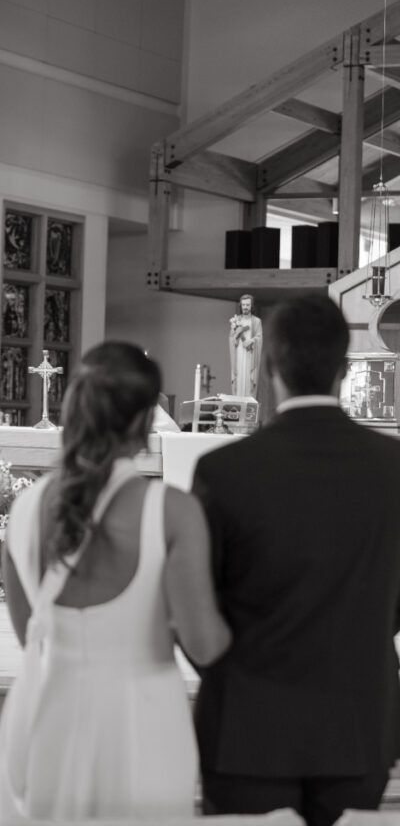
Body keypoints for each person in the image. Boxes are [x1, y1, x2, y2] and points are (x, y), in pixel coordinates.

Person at [192, 294, 400, 826]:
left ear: (270, 366)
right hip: (357, 716)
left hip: (248, 723)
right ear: (344, 370)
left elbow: (198, 602)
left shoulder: (223, 470)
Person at [0, 342, 231, 822]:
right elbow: (205, 644)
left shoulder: (24, 510)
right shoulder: (170, 512)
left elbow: (30, 636)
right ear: (148, 419)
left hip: (52, 720)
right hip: (143, 725)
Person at [229, 293, 262, 398]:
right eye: (243, 305)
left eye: (247, 305)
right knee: (238, 379)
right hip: (239, 354)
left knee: (248, 380)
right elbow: (231, 337)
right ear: (241, 306)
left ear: (251, 306)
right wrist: (235, 338)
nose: (245, 307)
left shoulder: (256, 321)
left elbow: (259, 337)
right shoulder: (236, 321)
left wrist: (251, 341)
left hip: (250, 356)